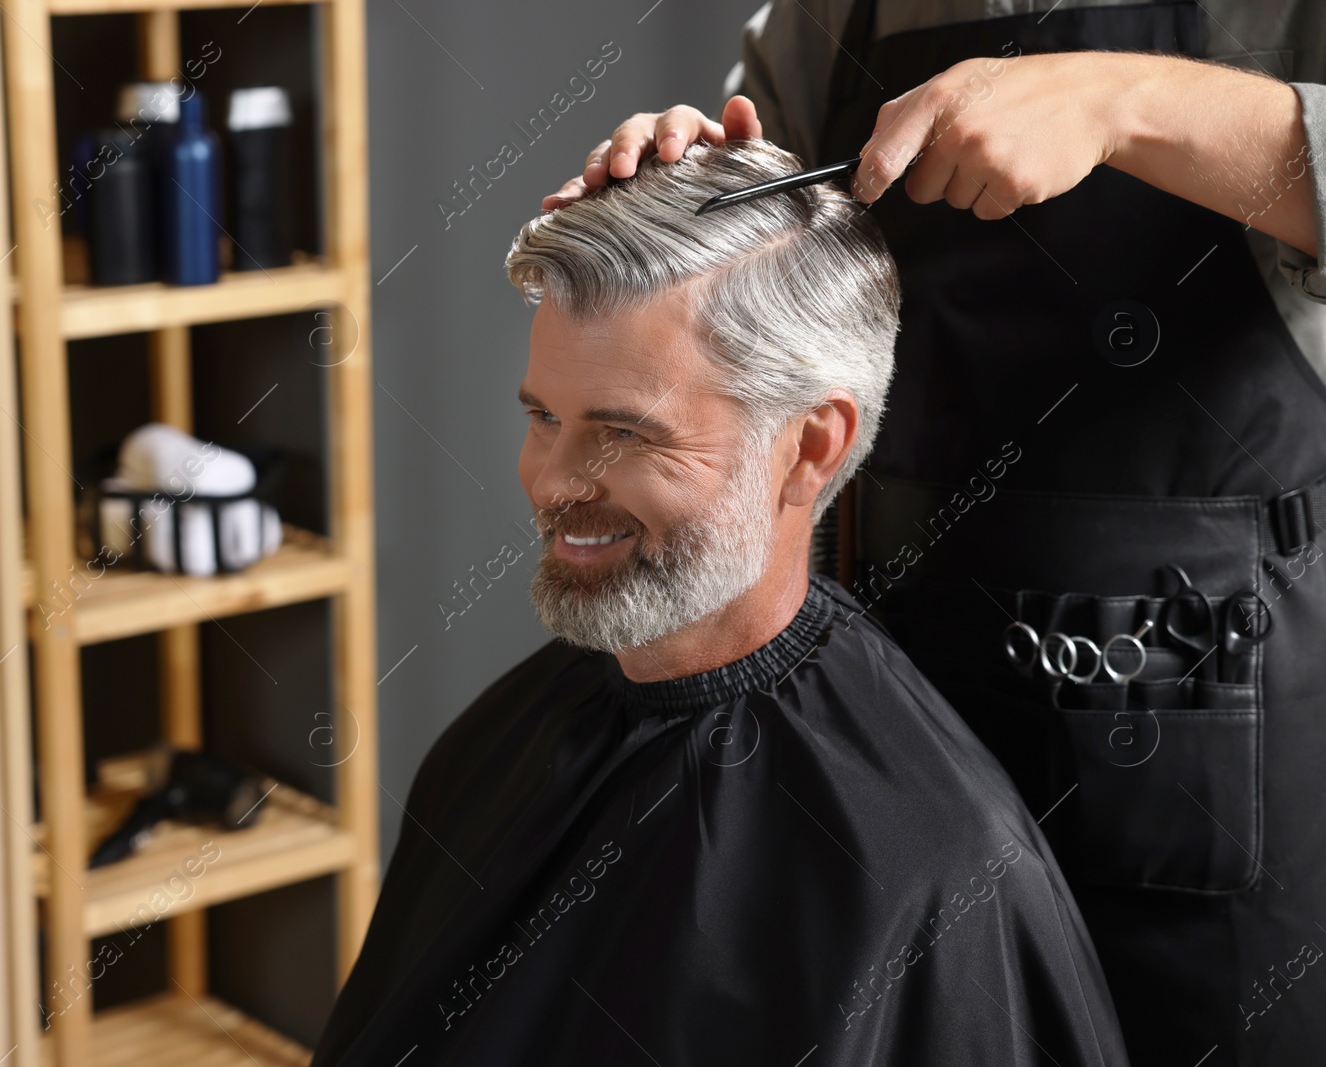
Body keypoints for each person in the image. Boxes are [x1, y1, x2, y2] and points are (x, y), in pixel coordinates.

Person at [544, 3, 1326, 1066]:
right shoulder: (830, 16)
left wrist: (1124, 104)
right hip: (892, 686)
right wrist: (695, 188)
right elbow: (785, 224)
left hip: (1205, 720)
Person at [312, 140, 1127, 1067]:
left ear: (810, 447)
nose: (554, 484)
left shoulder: (935, 877)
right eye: (544, 417)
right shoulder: (489, 747)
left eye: (623, 432)